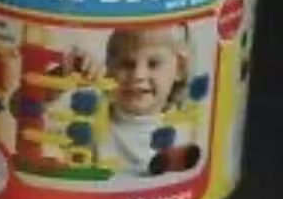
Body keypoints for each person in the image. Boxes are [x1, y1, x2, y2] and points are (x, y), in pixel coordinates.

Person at [63, 24, 191, 175]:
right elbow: (48, 108)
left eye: (153, 64)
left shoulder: (185, 128)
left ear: (180, 68)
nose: (138, 75)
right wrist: (70, 69)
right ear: (109, 68)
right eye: (126, 64)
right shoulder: (92, 113)